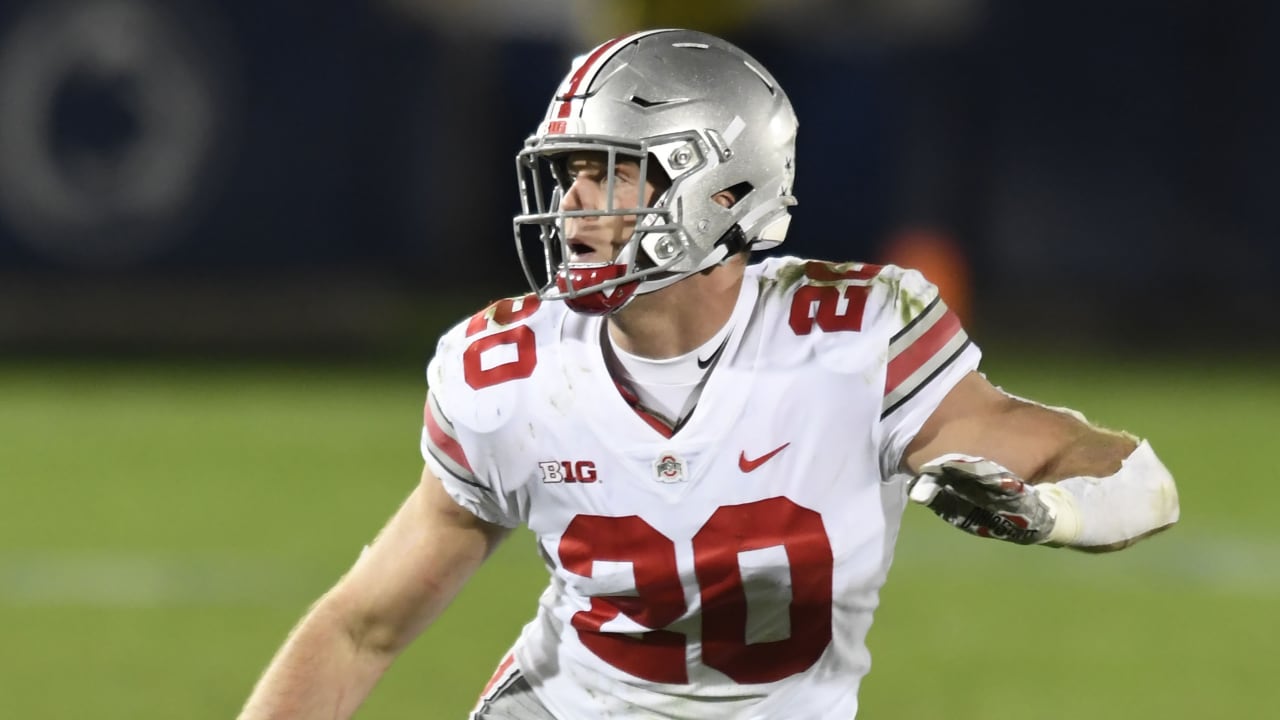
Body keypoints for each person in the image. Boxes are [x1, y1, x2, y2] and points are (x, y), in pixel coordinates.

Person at [237, 28, 1180, 720]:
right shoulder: (509, 372)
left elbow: (1134, 480)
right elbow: (362, 627)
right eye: (565, 175)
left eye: (607, 173)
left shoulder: (853, 341)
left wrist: (1052, 512)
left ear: (722, 190)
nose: (571, 206)